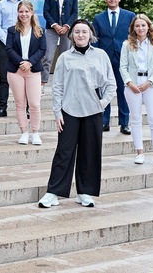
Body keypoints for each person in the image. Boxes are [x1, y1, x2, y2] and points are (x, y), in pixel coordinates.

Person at [38, 19, 116, 209]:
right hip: (69, 110)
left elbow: (111, 84)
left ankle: (85, 192)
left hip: (93, 110)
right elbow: (57, 87)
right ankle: (53, 192)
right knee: (64, 152)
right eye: (77, 32)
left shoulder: (101, 55)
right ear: (71, 35)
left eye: (84, 31)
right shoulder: (65, 57)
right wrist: (57, 112)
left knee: (90, 152)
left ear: (90, 34)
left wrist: (103, 103)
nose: (80, 35)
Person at [120, 14, 153, 167]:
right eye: (137, 25)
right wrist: (129, 82)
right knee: (135, 119)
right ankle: (139, 152)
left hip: (150, 85)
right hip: (132, 85)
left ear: (148, 26)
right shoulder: (127, 45)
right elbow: (123, 67)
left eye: (143, 25)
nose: (140, 28)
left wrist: (150, 82)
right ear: (133, 28)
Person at [92, 0, 135, 134]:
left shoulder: (130, 16)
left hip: (123, 59)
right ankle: (104, 121)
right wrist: (96, 58)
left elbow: (133, 37)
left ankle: (124, 123)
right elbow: (95, 38)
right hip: (105, 58)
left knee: (123, 91)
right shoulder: (98, 18)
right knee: (104, 90)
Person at [6, 0, 46, 145]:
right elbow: (8, 49)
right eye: (21, 11)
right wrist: (21, 63)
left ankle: (35, 133)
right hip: (15, 71)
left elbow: (42, 50)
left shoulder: (40, 31)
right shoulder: (12, 30)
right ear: (18, 13)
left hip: (33, 70)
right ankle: (24, 132)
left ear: (32, 12)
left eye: (26, 11)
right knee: (20, 103)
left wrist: (30, 62)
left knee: (35, 104)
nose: (24, 14)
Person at [41, 0, 77, 90]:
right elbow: (45, 12)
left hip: (66, 29)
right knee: (48, 56)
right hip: (52, 28)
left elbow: (74, 12)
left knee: (65, 57)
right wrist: (55, 25)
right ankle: (42, 83)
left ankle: (64, 84)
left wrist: (67, 26)